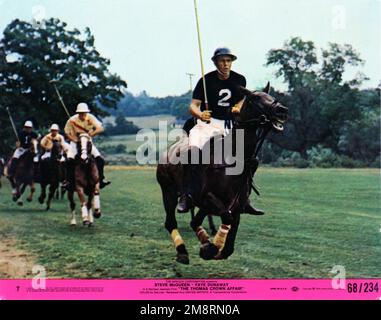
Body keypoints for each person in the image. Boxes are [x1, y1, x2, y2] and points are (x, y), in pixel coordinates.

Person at [177, 47, 264, 216]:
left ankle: (244, 199)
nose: (225, 64)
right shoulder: (205, 80)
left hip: (229, 124)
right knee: (192, 153)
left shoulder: (240, 80)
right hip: (207, 124)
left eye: (228, 61)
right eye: (222, 61)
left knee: (249, 160)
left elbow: (242, 100)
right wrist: (201, 114)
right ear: (215, 62)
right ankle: (186, 195)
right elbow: (193, 105)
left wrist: (238, 107)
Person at [64, 103, 110, 190]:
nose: (82, 114)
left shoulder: (91, 117)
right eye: (80, 113)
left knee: (100, 159)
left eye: (84, 112)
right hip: (75, 142)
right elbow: (67, 132)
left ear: (87, 112)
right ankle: (68, 181)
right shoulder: (72, 120)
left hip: (88, 142)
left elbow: (100, 128)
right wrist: (74, 140)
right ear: (78, 113)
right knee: (69, 161)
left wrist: (91, 134)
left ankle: (101, 179)